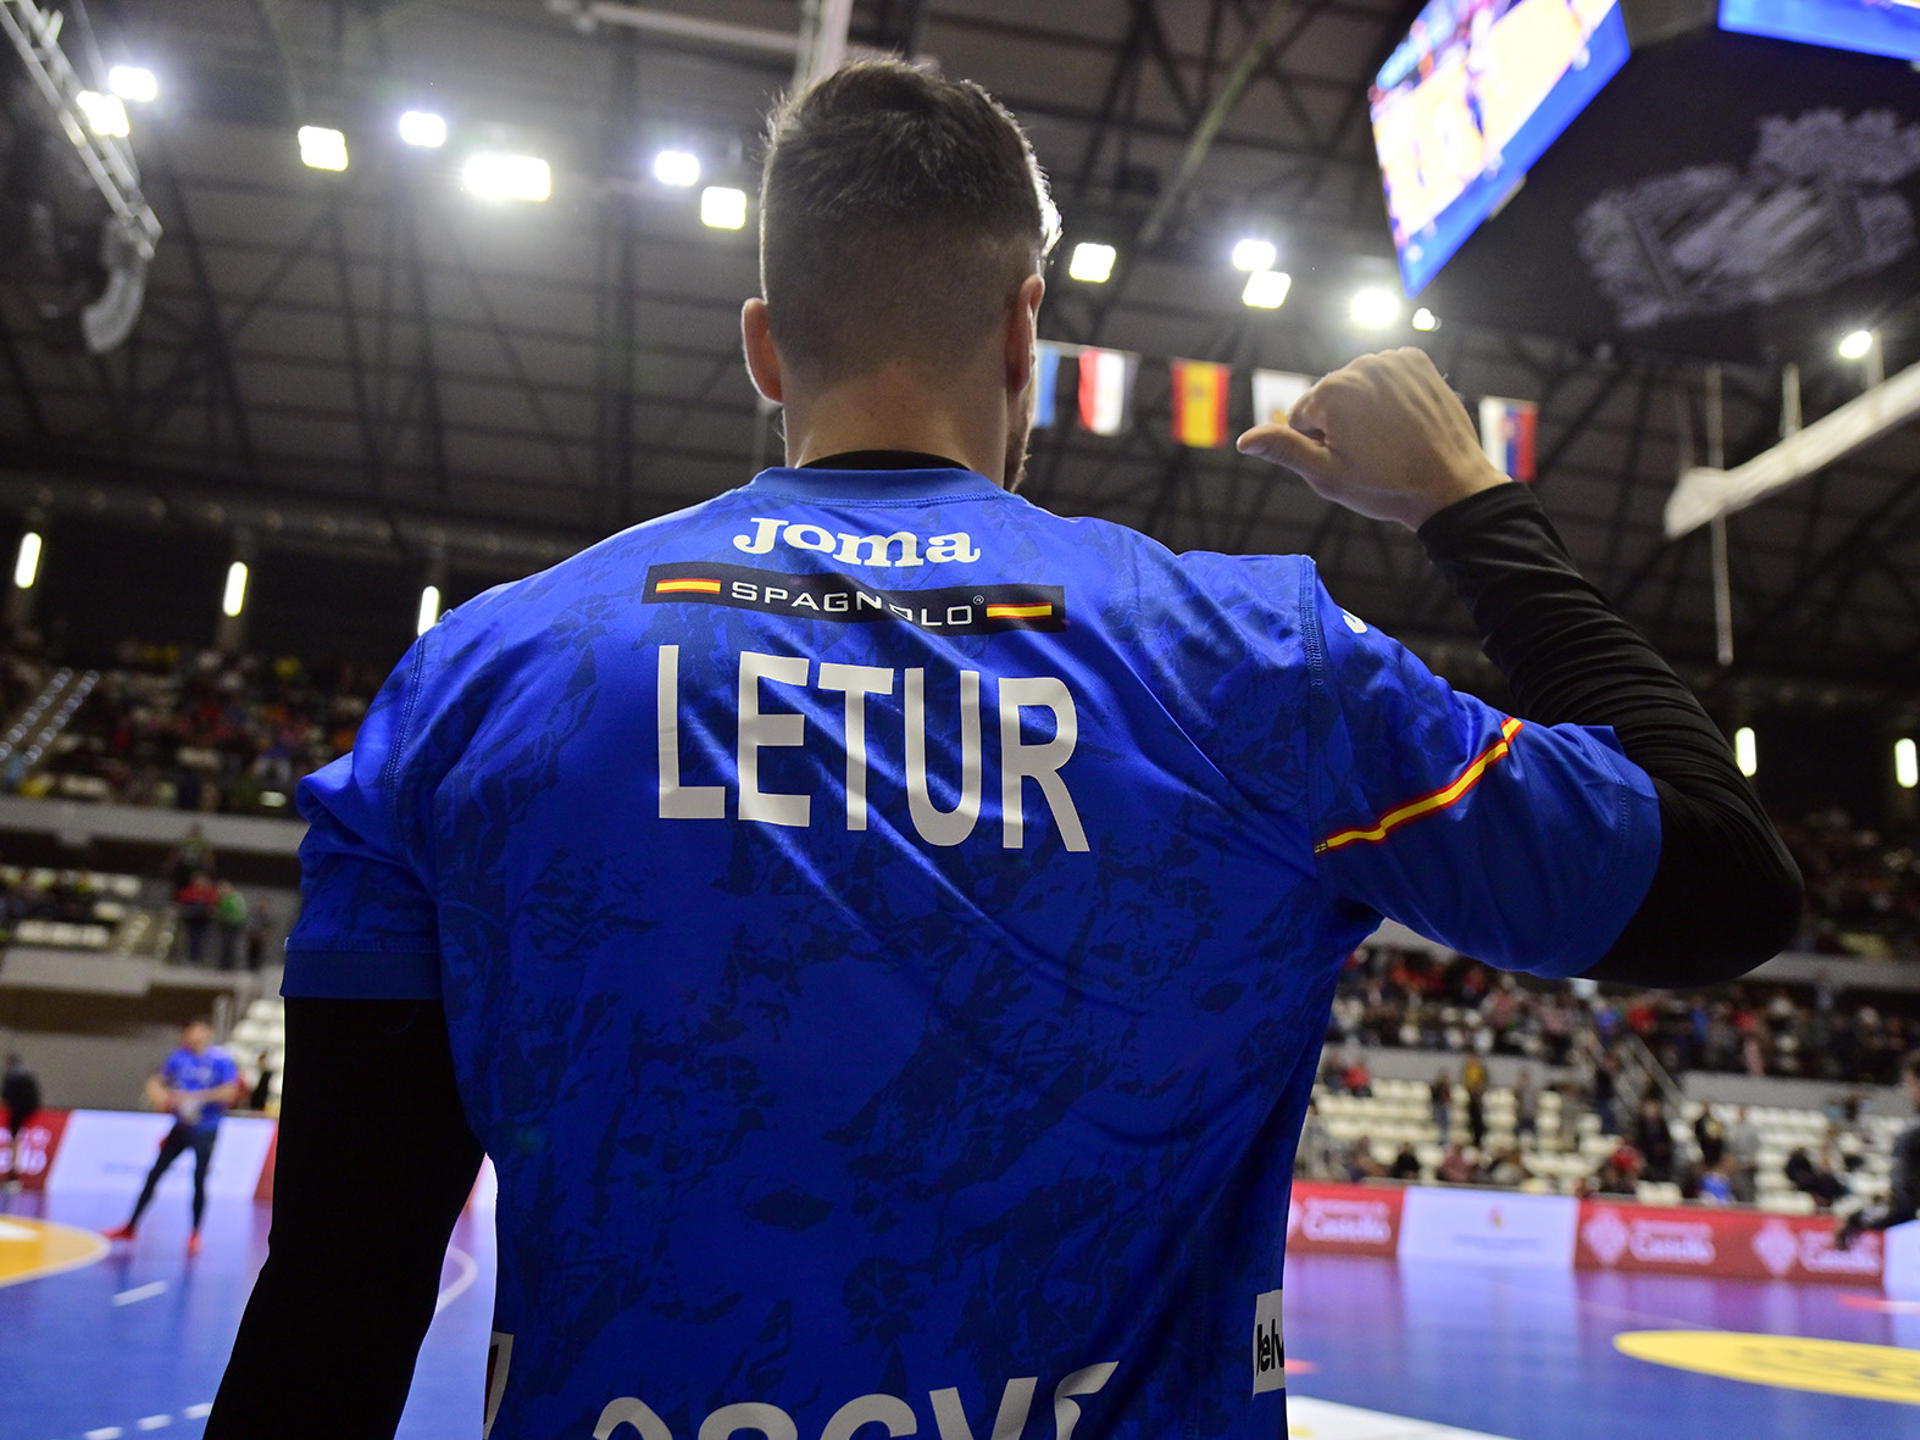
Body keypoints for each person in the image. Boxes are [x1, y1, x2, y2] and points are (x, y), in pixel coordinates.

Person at [205, 60, 1800, 1440]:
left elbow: (339, 1301)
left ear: (767, 345)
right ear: (1025, 321)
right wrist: (1470, 507)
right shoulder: (1252, 662)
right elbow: (1723, 878)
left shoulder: (480, 683)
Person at [102, 1019, 241, 1254]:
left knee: (198, 1179)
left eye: (198, 1029)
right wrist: (161, 1095)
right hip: (181, 1127)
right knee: (155, 1173)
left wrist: (194, 1098)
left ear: (207, 1033)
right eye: (190, 1030)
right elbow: (157, 1082)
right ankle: (131, 1226)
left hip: (206, 1128)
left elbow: (230, 1092)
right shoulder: (179, 1058)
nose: (193, 1034)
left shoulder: (221, 1059)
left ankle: (195, 1233)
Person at [1838, 1050, 1920, 1249]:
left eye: (1908, 1084)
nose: (1907, 1093)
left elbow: (1902, 1206)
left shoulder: (1912, 1138)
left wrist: (1854, 1221)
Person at [3, 1052, 42, 1190]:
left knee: (15, 1141)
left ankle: (13, 1175)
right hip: (23, 1111)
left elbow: (6, 1096)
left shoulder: (13, 1078)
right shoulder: (27, 1078)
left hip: (19, 1112)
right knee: (15, 1140)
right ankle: (13, 1175)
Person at [1728, 1103, 1762, 1203]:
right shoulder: (1733, 1127)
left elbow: (1756, 1145)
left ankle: (1749, 1203)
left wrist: (1752, 1158)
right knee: (1736, 1185)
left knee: (1748, 1186)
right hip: (1735, 1162)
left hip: (1748, 1161)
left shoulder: (1752, 1128)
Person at [215, 882, 248, 971]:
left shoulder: (234, 898)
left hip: (233, 925)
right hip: (225, 924)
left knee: (230, 944)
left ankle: (228, 965)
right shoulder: (224, 898)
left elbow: (237, 912)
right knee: (225, 945)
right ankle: (224, 964)